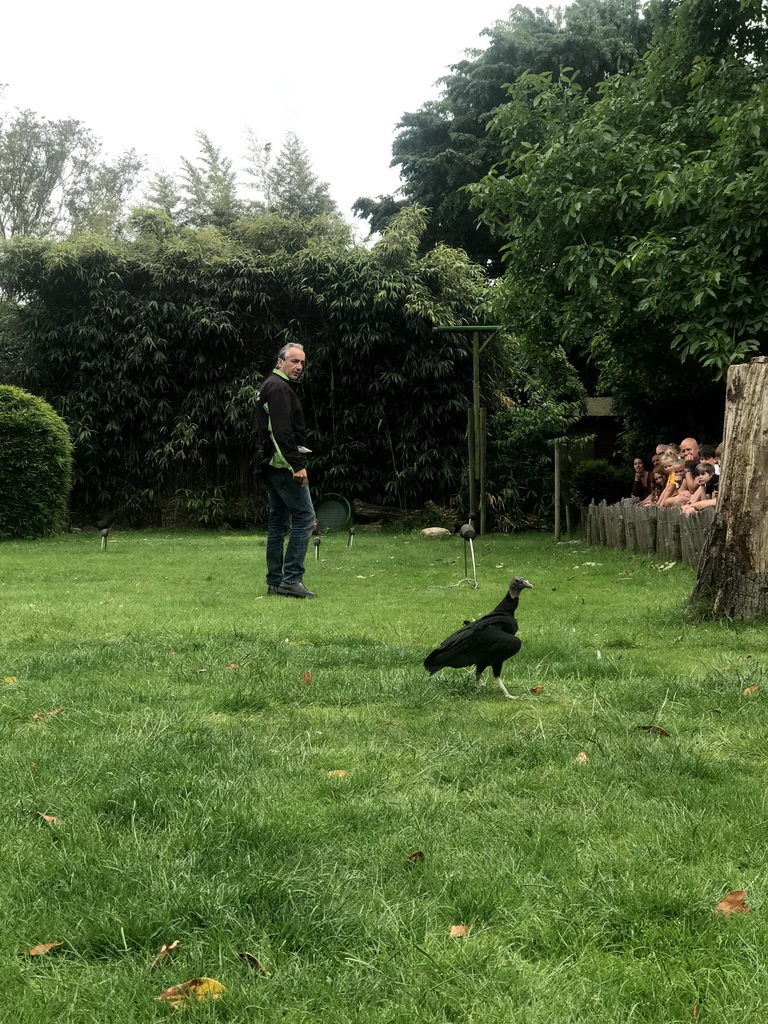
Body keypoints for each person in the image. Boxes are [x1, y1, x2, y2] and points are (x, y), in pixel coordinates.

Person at [255, 343, 317, 599]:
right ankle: (292, 579)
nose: (299, 367)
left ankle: (275, 581)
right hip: (282, 465)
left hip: (270, 463)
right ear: (280, 362)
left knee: (278, 522)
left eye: (302, 363)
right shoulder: (279, 388)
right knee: (305, 518)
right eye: (294, 361)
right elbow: (280, 432)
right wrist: (297, 465)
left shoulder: (270, 385)